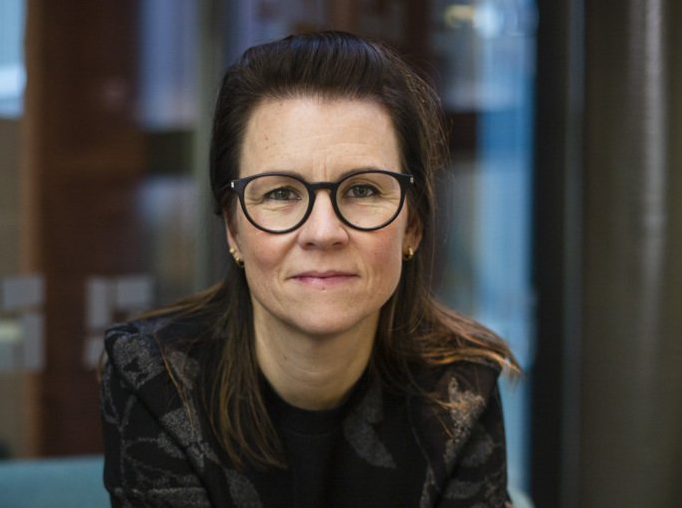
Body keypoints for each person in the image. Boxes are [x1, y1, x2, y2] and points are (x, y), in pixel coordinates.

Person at [100, 30, 519, 508]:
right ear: (233, 231)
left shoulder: (461, 389)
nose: (323, 231)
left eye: (363, 190)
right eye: (280, 193)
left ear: (413, 228)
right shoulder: (155, 377)